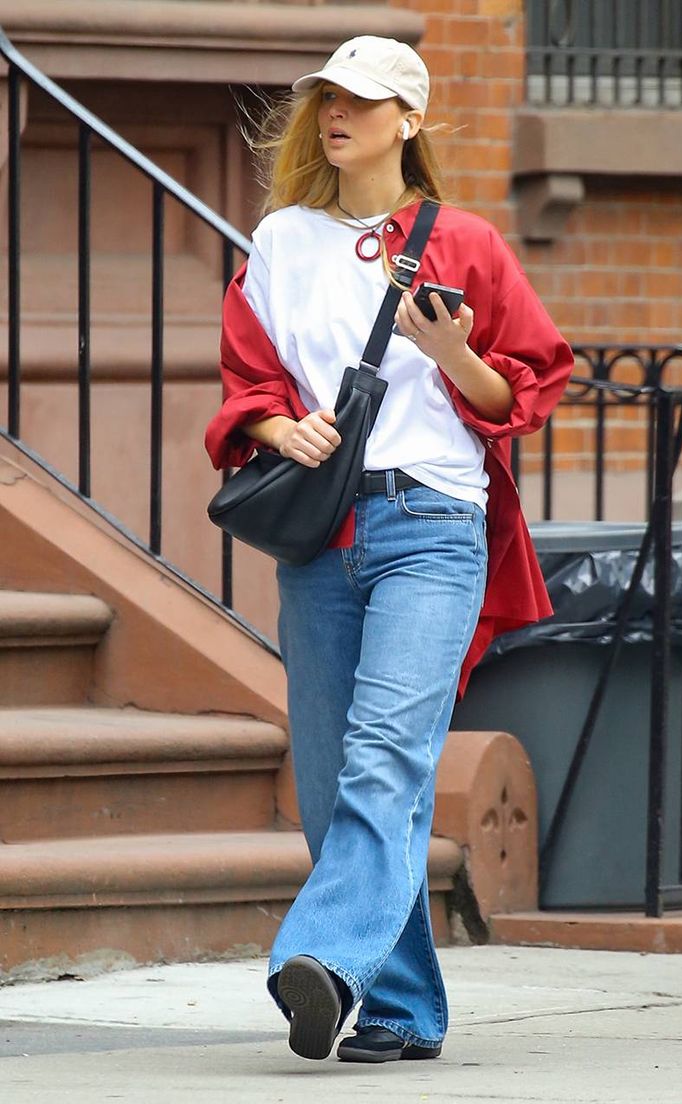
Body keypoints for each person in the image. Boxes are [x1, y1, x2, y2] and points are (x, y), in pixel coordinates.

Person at [205, 35, 573, 1064]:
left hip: (432, 527)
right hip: (324, 534)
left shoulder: (466, 242)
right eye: (328, 98)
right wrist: (282, 430)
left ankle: (319, 958)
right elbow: (249, 377)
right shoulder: (281, 239)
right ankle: (401, 1008)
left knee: (384, 759)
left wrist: (449, 351)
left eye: (363, 103)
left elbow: (524, 392)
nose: (337, 116)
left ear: (406, 122)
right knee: (331, 785)